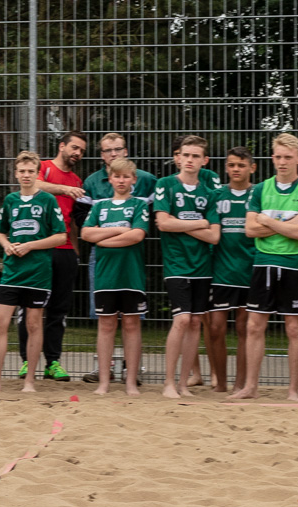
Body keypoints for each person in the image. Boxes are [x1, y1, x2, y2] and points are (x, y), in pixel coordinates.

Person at [235, 133, 298, 401]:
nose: (282, 162)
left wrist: (268, 222)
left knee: (293, 328)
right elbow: (249, 230)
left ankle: (293, 390)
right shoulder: (259, 189)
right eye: (278, 157)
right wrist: (287, 224)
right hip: (263, 263)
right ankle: (250, 387)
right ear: (272, 158)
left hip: (293, 265)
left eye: (288, 157)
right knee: (254, 326)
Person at [0, 151, 67, 393]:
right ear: (15, 174)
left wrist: (30, 245)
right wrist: (6, 244)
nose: (26, 175)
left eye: (30, 171)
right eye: (22, 171)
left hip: (38, 273)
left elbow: (61, 236)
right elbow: (0, 231)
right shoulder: (10, 200)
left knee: (34, 324)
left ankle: (30, 382)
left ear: (37, 173)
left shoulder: (48, 200)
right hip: (12, 271)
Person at [154, 136, 221, 398]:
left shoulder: (210, 192)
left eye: (195, 156)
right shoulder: (166, 185)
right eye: (186, 155)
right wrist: (199, 224)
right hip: (177, 265)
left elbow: (215, 236)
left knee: (195, 324)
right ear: (178, 157)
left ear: (204, 161)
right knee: (181, 320)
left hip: (203, 267)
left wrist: (180, 222)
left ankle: (184, 383)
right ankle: (169, 382)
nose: (189, 160)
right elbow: (163, 224)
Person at [82, 158, 149, 394]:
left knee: (131, 325)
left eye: (126, 176)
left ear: (134, 180)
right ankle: (103, 382)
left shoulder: (139, 205)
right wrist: (121, 230)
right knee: (106, 325)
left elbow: (137, 235)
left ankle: (130, 381)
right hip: (105, 276)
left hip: (131, 275)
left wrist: (103, 239)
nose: (121, 180)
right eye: (117, 176)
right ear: (110, 179)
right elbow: (86, 233)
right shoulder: (100, 206)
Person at [30, 130, 87, 381]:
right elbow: (34, 185)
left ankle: (52, 362)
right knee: (31, 308)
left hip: (65, 250)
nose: (78, 153)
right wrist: (63, 188)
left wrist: (75, 252)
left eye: (82, 151)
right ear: (61, 145)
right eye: (74, 148)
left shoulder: (77, 180)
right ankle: (25, 360)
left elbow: (74, 221)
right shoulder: (42, 167)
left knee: (58, 310)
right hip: (39, 247)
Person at [203, 147, 258, 394]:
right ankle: (221, 383)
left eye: (241, 165)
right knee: (215, 328)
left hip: (249, 269)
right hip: (221, 271)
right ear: (226, 167)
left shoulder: (259, 194)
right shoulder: (216, 195)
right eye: (232, 165)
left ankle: (241, 383)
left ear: (252, 168)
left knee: (245, 327)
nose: (236, 169)